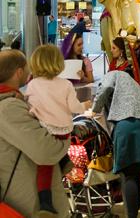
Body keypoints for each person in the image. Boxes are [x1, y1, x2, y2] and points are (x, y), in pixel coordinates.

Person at [0, 50, 72, 217]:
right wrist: (65, 132)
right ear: (19, 72)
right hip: (24, 205)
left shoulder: (13, 102)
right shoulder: (9, 108)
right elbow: (47, 151)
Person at [25, 44, 90, 215]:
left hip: (45, 132)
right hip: (64, 131)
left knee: (44, 167)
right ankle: (63, 159)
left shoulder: (33, 85)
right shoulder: (66, 84)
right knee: (58, 149)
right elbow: (74, 107)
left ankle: (45, 202)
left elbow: (29, 106)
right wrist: (85, 105)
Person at [93, 71, 140, 218]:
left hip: (126, 125)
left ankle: (132, 214)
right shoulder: (132, 83)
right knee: (136, 168)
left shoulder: (112, 75)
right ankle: (137, 200)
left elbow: (106, 87)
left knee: (128, 174)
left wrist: (95, 108)